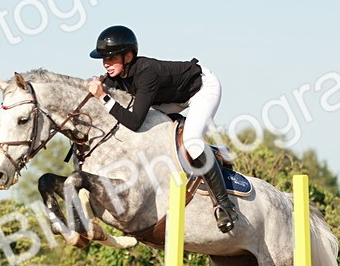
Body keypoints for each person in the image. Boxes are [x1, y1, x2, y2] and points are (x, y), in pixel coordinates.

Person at [86, 25, 235, 233]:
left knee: (192, 140)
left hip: (202, 89)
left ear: (128, 57)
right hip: (172, 99)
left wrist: (103, 97)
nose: (106, 64)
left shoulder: (147, 73)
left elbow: (134, 121)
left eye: (111, 59)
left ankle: (224, 206)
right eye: (104, 59)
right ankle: (211, 152)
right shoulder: (118, 76)